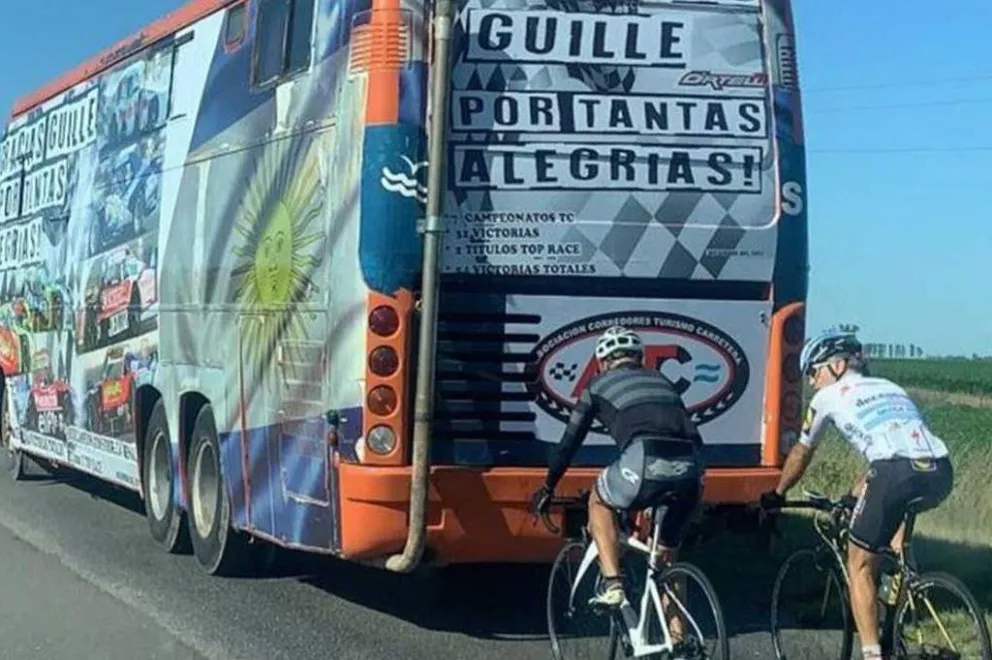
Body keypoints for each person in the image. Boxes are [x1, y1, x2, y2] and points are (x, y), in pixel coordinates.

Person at [760, 330, 954, 660]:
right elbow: (890, 452)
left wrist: (778, 493)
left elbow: (801, 454)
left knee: (860, 564)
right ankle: (900, 614)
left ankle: (872, 654)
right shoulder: (892, 388)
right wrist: (855, 494)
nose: (812, 381)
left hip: (894, 473)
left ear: (836, 367)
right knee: (896, 543)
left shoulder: (828, 397)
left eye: (814, 371)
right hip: (939, 469)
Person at [530, 325, 705, 609]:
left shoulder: (597, 385)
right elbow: (694, 438)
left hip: (643, 460)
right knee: (665, 558)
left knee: (598, 500)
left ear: (601, 363)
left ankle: (613, 585)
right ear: (639, 358)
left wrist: (548, 486)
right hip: (691, 471)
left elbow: (569, 443)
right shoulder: (662, 381)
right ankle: (680, 644)